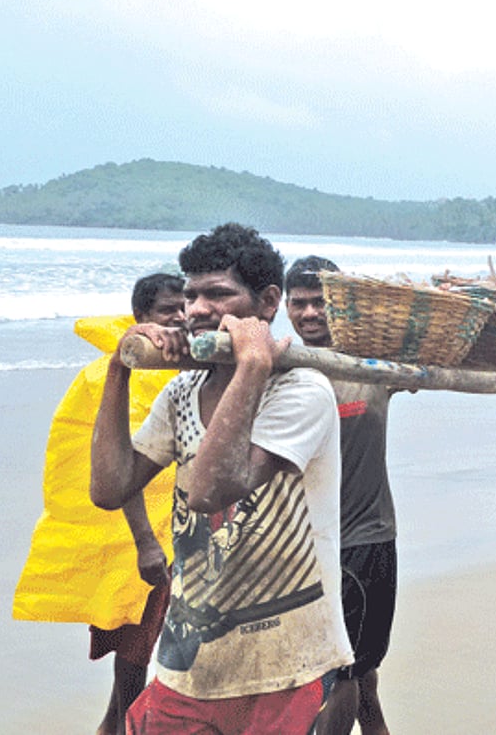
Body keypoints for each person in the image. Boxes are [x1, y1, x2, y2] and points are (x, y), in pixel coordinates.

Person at [90, 223, 353, 733]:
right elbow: (110, 488)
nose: (197, 310)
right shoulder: (183, 391)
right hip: (190, 655)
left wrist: (252, 363)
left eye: (218, 294)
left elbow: (210, 491)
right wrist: (119, 369)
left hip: (285, 656)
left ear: (267, 302)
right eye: (191, 295)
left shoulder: (302, 391)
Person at [13, 272, 185, 735]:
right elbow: (117, 463)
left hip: (182, 533)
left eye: (186, 306)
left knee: (158, 666)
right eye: (169, 309)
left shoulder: (184, 366)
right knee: (133, 665)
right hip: (134, 544)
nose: (181, 316)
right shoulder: (109, 373)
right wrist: (146, 544)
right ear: (141, 317)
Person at [285, 256, 397, 735]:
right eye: (299, 303)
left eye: (321, 302)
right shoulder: (278, 370)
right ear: (282, 306)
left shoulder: (372, 368)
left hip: (363, 540)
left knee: (347, 671)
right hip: (299, 546)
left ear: (343, 304)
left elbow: (448, 363)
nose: (310, 313)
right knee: (348, 671)